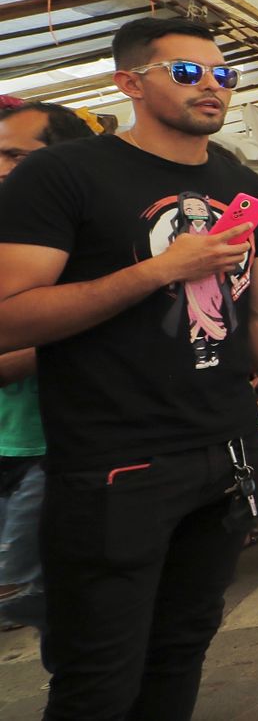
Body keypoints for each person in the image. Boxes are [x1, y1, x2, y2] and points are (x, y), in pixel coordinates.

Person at [0, 17, 258, 720]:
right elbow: (9, 316)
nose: (211, 87)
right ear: (129, 82)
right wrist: (158, 270)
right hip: (116, 464)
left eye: (222, 75)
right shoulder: (62, 175)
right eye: (187, 72)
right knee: (98, 679)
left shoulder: (239, 182)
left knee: (181, 652)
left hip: (226, 450)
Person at [0, 102, 95, 655]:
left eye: (17, 155)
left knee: (57, 604)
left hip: (63, 445)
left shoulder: (90, 242)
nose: (4, 169)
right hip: (17, 442)